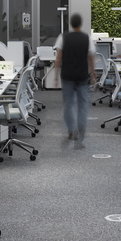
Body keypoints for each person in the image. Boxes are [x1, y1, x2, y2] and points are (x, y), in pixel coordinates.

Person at [54, 13, 96, 147]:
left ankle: (72, 130)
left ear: (70, 24)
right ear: (81, 24)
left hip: (67, 76)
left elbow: (58, 58)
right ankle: (81, 131)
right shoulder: (87, 38)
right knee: (83, 105)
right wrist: (93, 75)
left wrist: (55, 76)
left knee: (68, 104)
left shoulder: (63, 37)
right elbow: (90, 58)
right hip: (82, 76)